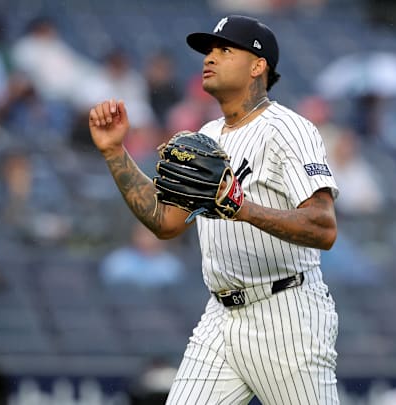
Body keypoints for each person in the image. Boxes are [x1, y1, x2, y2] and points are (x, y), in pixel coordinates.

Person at [89, 15, 340, 404]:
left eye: (225, 49)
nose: (210, 57)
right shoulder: (204, 137)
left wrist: (241, 208)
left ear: (258, 66)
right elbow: (166, 222)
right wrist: (114, 152)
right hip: (220, 317)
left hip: (285, 314)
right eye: (209, 50)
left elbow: (324, 228)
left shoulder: (288, 129)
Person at [100, 222, 185, 288]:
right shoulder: (117, 261)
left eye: (152, 234)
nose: (147, 239)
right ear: (134, 235)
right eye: (143, 234)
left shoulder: (171, 265)